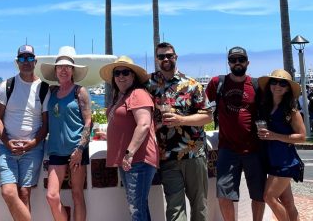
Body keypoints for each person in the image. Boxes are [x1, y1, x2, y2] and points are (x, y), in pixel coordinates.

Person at [146, 42, 212, 221]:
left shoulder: (192, 85)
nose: (165, 59)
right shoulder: (148, 85)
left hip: (194, 154)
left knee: (199, 205)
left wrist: (181, 120)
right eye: (161, 56)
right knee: (175, 209)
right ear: (156, 60)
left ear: (176, 57)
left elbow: (207, 116)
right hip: (167, 156)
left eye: (169, 55)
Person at [205, 46, 266, 221]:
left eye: (241, 59)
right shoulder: (218, 83)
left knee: (258, 194)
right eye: (233, 60)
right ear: (229, 63)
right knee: (223, 194)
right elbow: (202, 106)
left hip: (254, 149)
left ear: (247, 62)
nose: (237, 63)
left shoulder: (255, 85)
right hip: (227, 149)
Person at [0, 45, 49, 221]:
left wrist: (33, 143)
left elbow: (46, 124)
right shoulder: (7, 85)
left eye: (30, 58)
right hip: (7, 148)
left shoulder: (44, 88)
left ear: (35, 61)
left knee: (24, 193)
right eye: (23, 59)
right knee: (9, 192)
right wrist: (6, 141)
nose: (26, 62)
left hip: (33, 149)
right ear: (17, 62)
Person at [100, 55, 159, 221]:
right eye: (117, 73)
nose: (120, 76)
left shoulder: (138, 94)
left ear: (133, 76)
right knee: (138, 207)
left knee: (136, 210)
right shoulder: (121, 96)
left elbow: (144, 124)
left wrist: (129, 152)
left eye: (125, 72)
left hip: (137, 159)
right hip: (129, 160)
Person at [40, 46, 93, 221]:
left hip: (76, 150)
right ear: (55, 71)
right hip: (55, 151)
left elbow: (88, 121)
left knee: (77, 194)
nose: (63, 70)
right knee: (52, 196)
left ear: (72, 71)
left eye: (67, 67)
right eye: (60, 67)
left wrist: (79, 149)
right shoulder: (52, 92)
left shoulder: (80, 92)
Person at [257, 69, 306, 221]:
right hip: (273, 159)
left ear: (288, 88)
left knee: (269, 197)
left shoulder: (291, 111)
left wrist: (274, 136)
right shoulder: (266, 107)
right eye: (274, 82)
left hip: (286, 161)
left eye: (283, 83)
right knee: (288, 202)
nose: (277, 86)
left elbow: (302, 137)